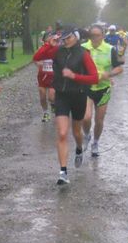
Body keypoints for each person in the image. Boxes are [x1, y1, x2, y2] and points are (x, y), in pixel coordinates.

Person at [33, 23, 98, 186]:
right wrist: (49, 44)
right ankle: (63, 172)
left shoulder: (84, 54)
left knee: (76, 131)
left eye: (68, 37)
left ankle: (78, 147)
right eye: (63, 38)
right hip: (62, 96)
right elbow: (36, 58)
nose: (65, 41)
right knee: (62, 133)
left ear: (76, 37)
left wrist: (74, 76)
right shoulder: (57, 51)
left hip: (79, 96)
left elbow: (94, 78)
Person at [82, 24, 123, 157]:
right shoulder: (82, 48)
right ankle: (87, 135)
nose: (95, 38)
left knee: (99, 120)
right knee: (86, 117)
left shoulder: (110, 49)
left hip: (103, 89)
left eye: (97, 35)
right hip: (86, 87)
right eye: (92, 35)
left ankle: (95, 142)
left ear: (103, 36)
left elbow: (119, 68)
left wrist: (109, 75)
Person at [33, 30, 55, 122]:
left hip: (53, 76)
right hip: (42, 75)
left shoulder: (56, 47)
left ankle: (54, 104)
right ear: (44, 39)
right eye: (48, 36)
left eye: (51, 36)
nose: (50, 38)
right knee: (42, 96)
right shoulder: (42, 48)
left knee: (51, 97)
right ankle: (45, 113)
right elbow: (35, 59)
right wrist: (38, 63)